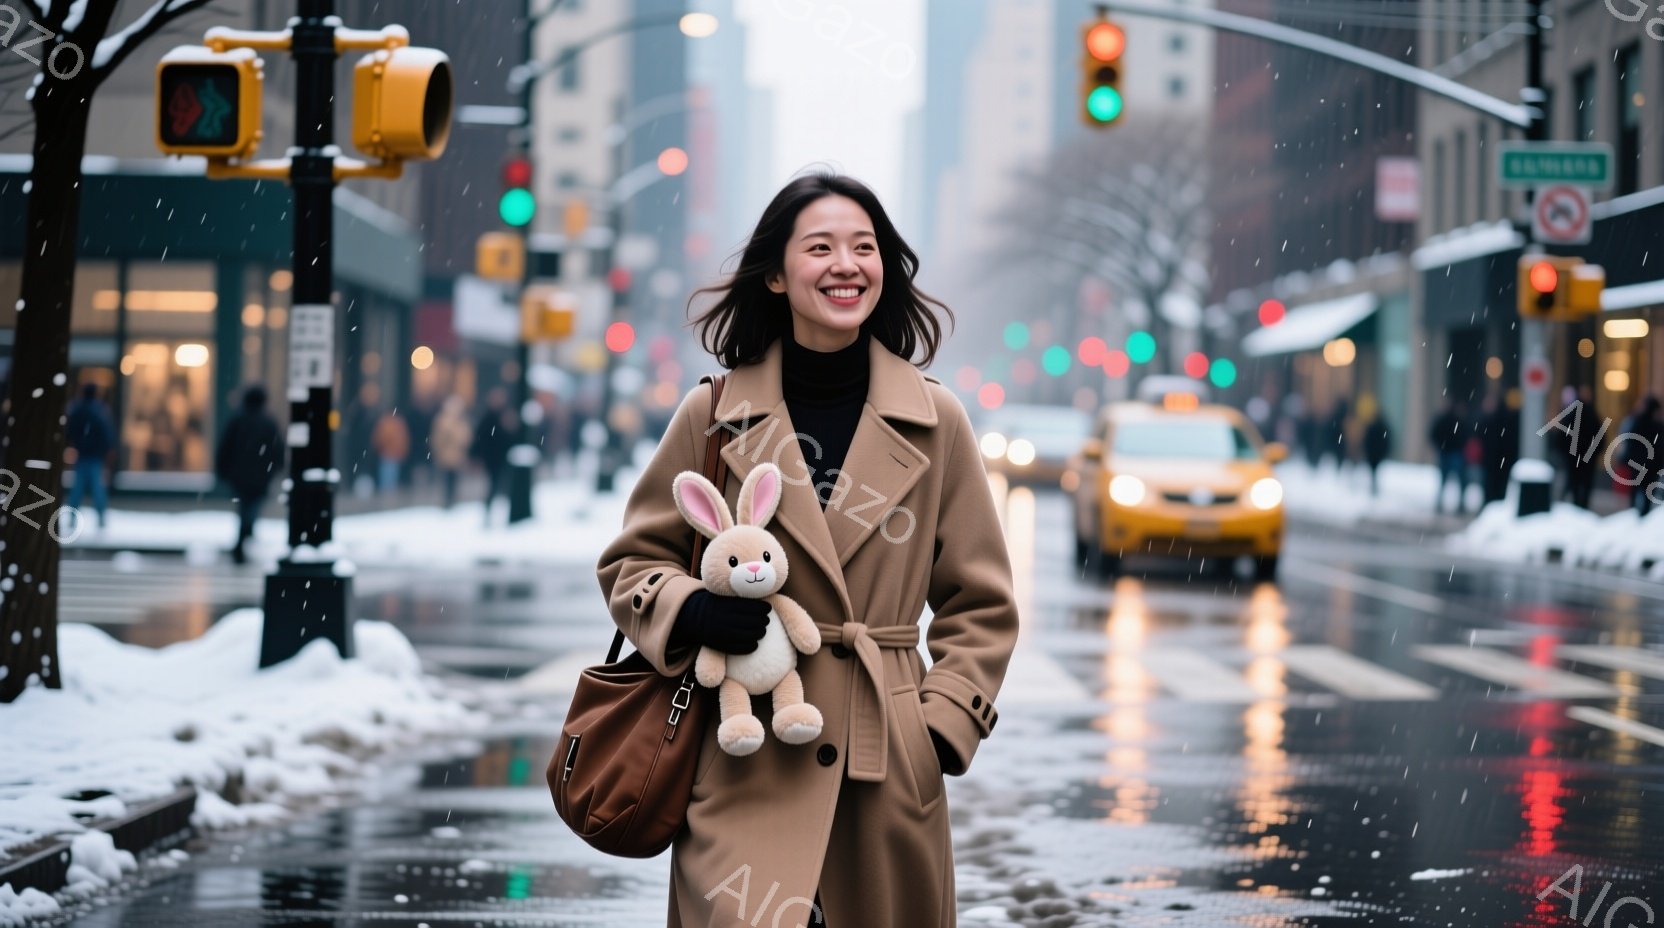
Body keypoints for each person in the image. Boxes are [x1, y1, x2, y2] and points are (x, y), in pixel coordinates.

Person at [596, 173, 1020, 927]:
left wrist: (936, 729)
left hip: (885, 765)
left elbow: (980, 601)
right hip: (743, 753)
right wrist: (691, 610)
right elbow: (632, 563)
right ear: (776, 274)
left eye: (864, 248)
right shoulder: (714, 412)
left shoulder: (936, 421)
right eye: (820, 248)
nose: (845, 265)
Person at [215, 385, 283, 564]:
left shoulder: (238, 420)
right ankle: (245, 535)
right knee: (251, 507)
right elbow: (277, 450)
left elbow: (225, 447)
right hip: (260, 475)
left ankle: (244, 536)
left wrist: (223, 470)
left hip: (240, 475)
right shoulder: (268, 422)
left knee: (245, 507)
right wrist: (275, 468)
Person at [65, 384, 116, 529]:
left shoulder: (77, 409)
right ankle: (101, 518)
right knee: (97, 488)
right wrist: (107, 450)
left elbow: (71, 431)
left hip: (82, 454)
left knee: (78, 488)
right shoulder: (100, 410)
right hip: (95, 456)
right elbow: (106, 433)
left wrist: (76, 444)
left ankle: (72, 518)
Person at [470, 388, 514, 525]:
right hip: (492, 458)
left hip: (501, 457)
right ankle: (488, 514)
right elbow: (480, 439)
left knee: (502, 487)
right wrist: (476, 457)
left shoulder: (505, 416)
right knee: (493, 486)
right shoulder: (489, 418)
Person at [1621, 395, 1663, 517]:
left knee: (1635, 492)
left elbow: (1630, 443)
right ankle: (1643, 517)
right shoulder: (1658, 426)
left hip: (1637, 464)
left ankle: (1633, 515)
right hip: (1652, 467)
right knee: (1647, 494)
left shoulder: (1638, 422)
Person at [429, 396, 473, 509]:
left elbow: (466, 437)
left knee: (452, 479)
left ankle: (450, 500)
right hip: (448, 455)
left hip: (455, 455)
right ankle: (448, 500)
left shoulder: (459, 422)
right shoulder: (444, 421)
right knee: (448, 479)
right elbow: (438, 439)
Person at [1429, 398, 1471, 514]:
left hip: (1452, 452)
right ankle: (1454, 503)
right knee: (1450, 479)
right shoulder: (1453, 419)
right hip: (1450, 452)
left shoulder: (1449, 419)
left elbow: (1434, 434)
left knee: (1448, 479)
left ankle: (1453, 503)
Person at [1476, 393, 1517, 505]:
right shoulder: (1505, 420)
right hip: (1498, 461)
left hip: (1494, 462)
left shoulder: (1492, 420)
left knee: (1492, 487)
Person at [1563, 385, 1598, 509]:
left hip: (1579, 456)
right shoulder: (1590, 414)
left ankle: (1578, 506)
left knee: (1577, 483)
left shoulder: (1577, 413)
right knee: (1581, 484)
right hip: (1581, 456)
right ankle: (1580, 506)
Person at [371, 408, 410, 494]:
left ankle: (387, 492)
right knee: (390, 476)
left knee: (388, 477)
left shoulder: (385, 423)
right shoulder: (397, 423)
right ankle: (389, 492)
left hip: (388, 453)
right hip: (391, 454)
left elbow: (379, 439)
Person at [1361, 407, 1393, 497]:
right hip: (1376, 452)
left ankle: (1373, 485)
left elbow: (1367, 440)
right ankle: (1374, 486)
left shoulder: (1373, 426)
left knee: (1373, 470)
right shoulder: (1381, 426)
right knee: (1374, 470)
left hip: (1373, 452)